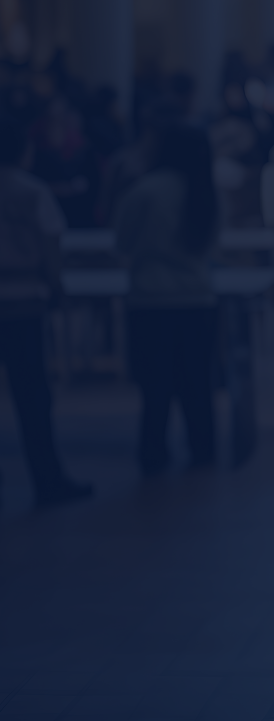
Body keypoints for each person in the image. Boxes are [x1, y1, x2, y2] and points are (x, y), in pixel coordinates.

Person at [114, 125, 220, 474]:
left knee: (154, 387)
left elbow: (122, 241)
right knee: (197, 384)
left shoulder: (144, 190)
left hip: (150, 300)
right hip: (197, 298)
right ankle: (203, 449)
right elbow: (214, 243)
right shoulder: (205, 189)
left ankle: (153, 452)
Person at [0, 118, 92, 508]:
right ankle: (47, 479)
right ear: (25, 150)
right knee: (33, 397)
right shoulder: (33, 191)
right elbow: (51, 249)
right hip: (25, 302)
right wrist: (58, 289)